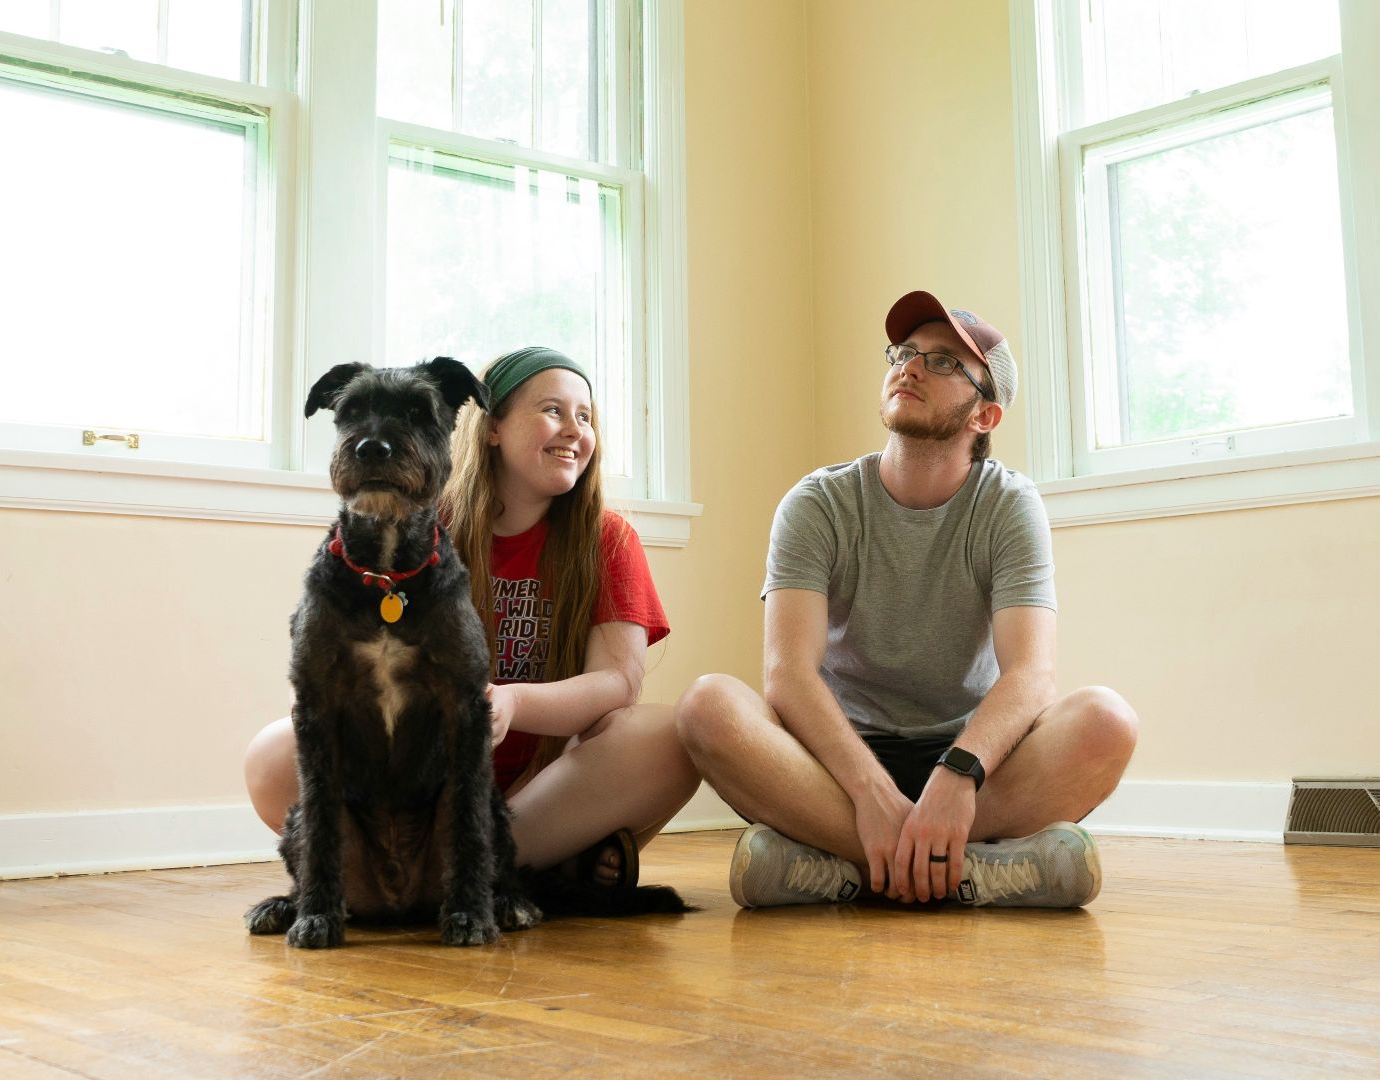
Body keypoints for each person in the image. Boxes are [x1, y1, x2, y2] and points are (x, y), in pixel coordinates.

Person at [675, 291, 1138, 909]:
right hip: (838, 762)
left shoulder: (1008, 504)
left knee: (1107, 721)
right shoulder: (818, 502)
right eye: (905, 352)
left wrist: (959, 774)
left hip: (973, 759)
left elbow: (1031, 674)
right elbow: (788, 674)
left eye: (945, 362)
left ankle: (839, 868)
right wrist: (868, 789)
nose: (911, 366)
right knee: (707, 706)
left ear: (985, 417)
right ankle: (975, 871)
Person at [245, 347, 699, 888]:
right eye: (552, 410)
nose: (573, 429)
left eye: (586, 417)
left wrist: (513, 700)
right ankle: (527, 872)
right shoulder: (420, 522)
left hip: (546, 785)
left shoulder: (609, 539)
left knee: (670, 736)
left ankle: (472, 867)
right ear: (491, 428)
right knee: (272, 754)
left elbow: (619, 682)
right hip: (415, 786)